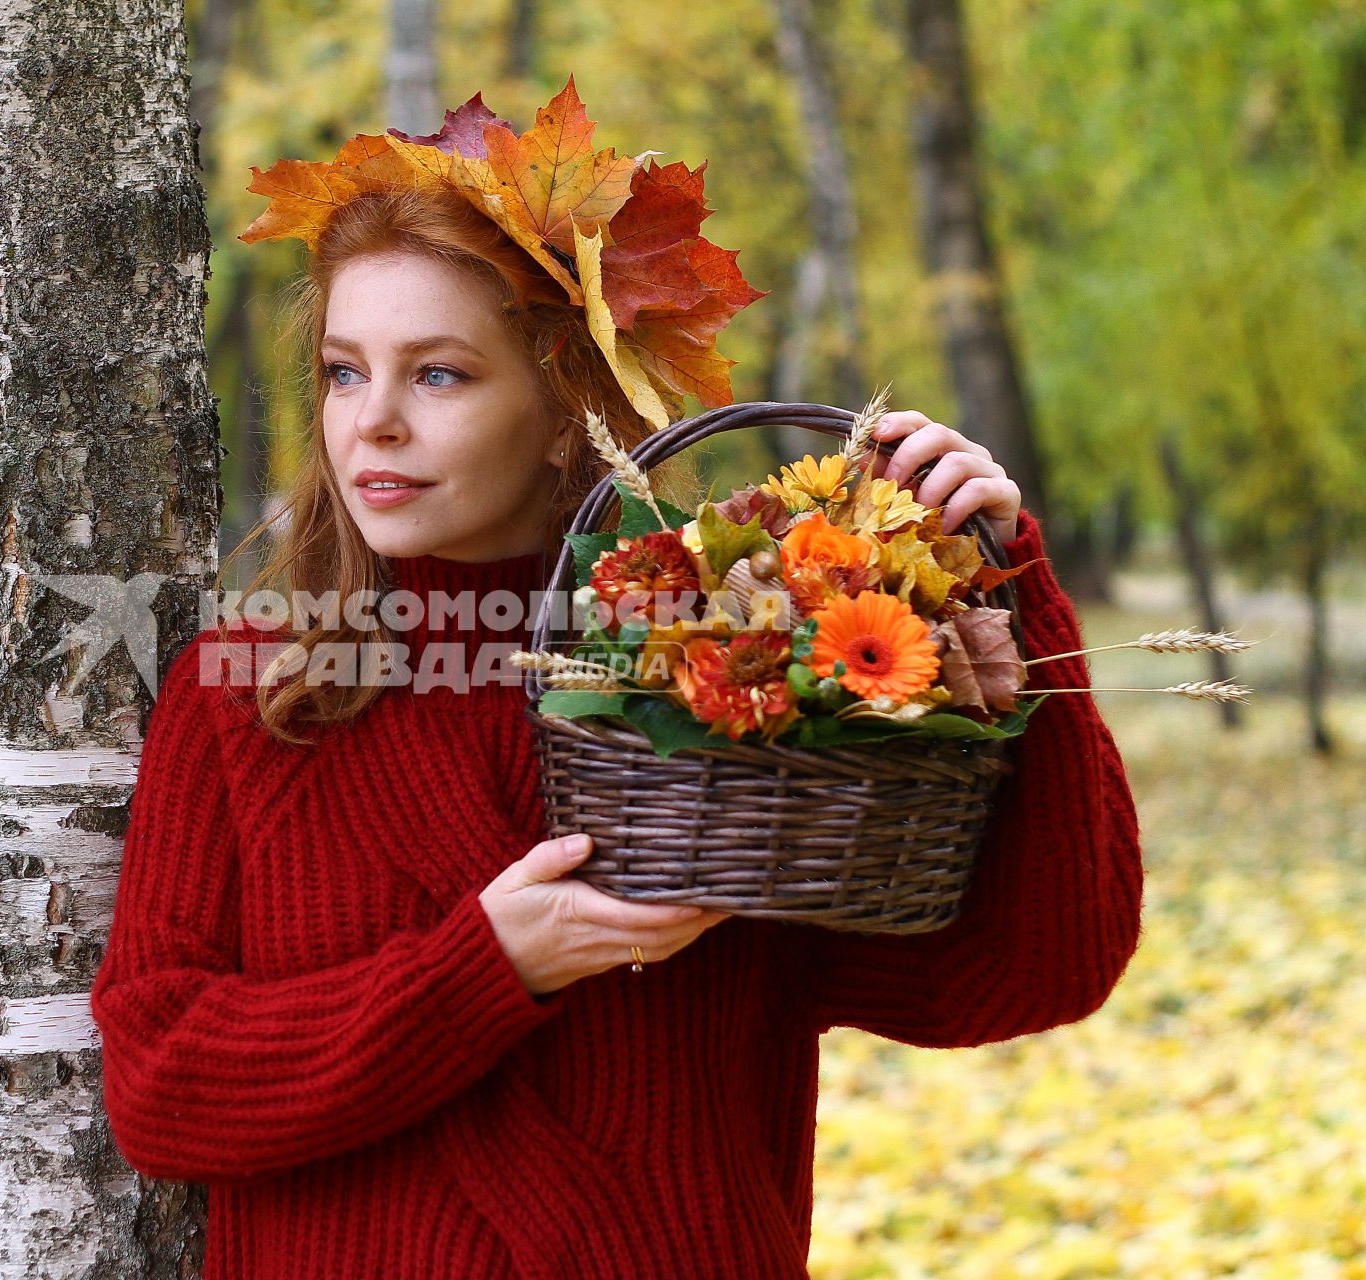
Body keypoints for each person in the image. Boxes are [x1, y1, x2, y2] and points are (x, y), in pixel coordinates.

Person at [88, 82, 1142, 1279]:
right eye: (342, 371)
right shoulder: (253, 694)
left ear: (558, 411)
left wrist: (1008, 577)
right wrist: (485, 966)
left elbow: (1029, 971)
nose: (370, 422)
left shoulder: (728, 664)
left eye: (437, 374)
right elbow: (164, 1086)